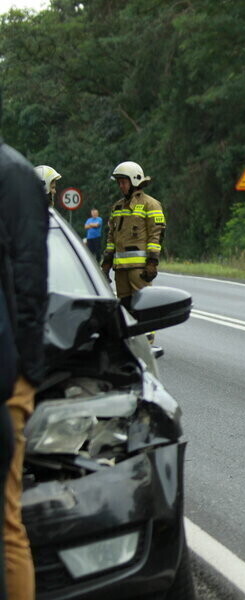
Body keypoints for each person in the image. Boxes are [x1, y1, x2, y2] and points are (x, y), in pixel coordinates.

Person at [1, 141, 49, 600]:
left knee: (5, 523)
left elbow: (31, 283)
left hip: (5, 377)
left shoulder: (13, 175)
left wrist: (26, 375)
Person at [101, 161, 165, 307]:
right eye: (119, 183)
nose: (121, 186)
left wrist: (152, 262)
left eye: (123, 182)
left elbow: (156, 234)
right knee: (124, 309)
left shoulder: (151, 204)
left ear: (134, 181)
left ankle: (147, 331)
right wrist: (106, 264)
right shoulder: (117, 206)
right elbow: (111, 238)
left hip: (139, 269)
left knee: (143, 307)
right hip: (120, 270)